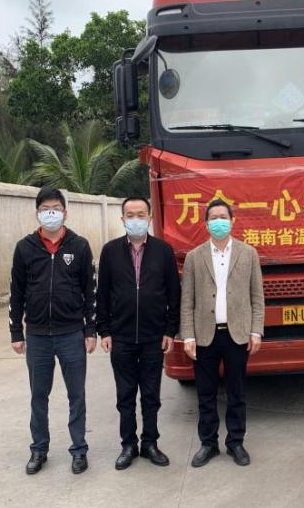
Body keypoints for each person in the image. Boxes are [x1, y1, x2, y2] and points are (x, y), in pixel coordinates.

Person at [9, 186, 97, 475]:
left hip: (71, 333)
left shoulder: (79, 246)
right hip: (37, 336)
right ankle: (39, 449)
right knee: (39, 396)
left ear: (65, 212)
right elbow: (16, 292)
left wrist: (90, 330)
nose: (51, 214)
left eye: (55, 209)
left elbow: (90, 291)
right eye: (45, 209)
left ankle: (79, 450)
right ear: (37, 213)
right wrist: (16, 332)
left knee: (77, 396)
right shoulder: (25, 247)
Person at [96, 197, 180, 470]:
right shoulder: (110, 251)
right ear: (122, 219)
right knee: (125, 396)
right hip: (120, 337)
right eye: (130, 215)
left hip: (153, 336)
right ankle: (128, 445)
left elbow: (173, 293)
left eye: (141, 214)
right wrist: (104, 330)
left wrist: (170, 329)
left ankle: (150, 443)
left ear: (150, 218)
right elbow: (102, 294)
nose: (135, 219)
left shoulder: (163, 251)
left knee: (151, 395)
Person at [181, 199, 264, 468]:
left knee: (236, 392)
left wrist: (256, 331)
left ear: (232, 221)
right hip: (205, 335)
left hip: (236, 334)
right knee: (205, 394)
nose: (219, 222)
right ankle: (208, 443)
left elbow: (257, 296)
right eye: (213, 218)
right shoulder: (194, 257)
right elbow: (187, 300)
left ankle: (235, 442)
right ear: (206, 224)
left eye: (223, 217)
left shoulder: (248, 253)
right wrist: (188, 336)